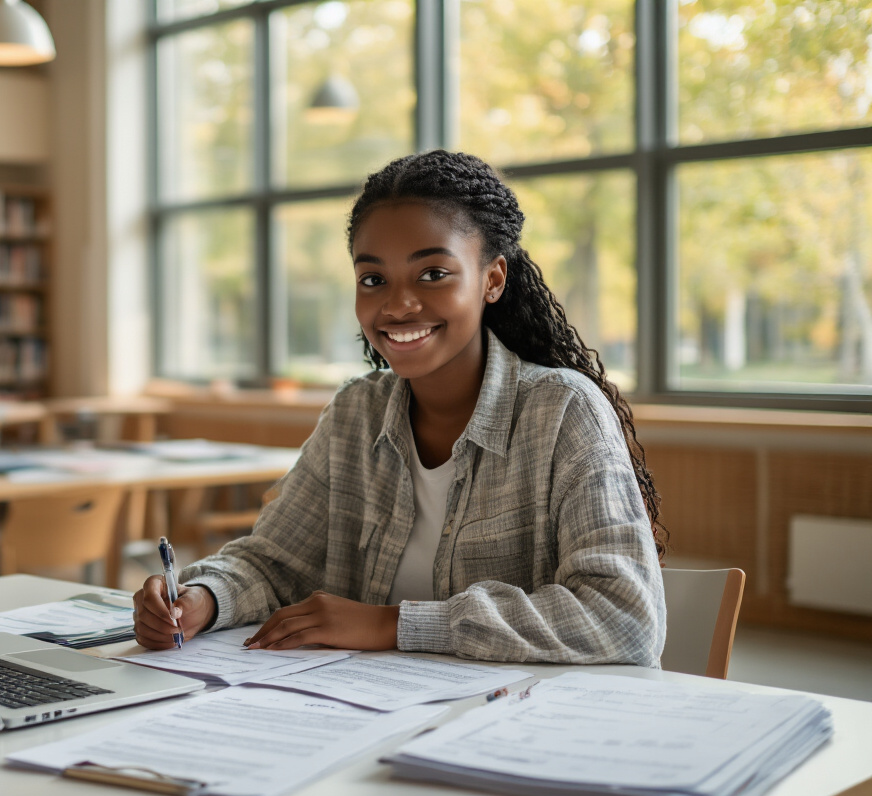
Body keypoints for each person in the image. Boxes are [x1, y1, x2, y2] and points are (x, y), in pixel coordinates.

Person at [133, 150, 667, 667]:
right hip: (370, 708)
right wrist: (202, 597)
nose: (396, 304)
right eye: (373, 279)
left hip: (515, 728)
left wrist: (390, 625)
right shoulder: (355, 413)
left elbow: (624, 617)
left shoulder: (563, 411)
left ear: (493, 279)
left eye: (432, 274)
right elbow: (273, 563)